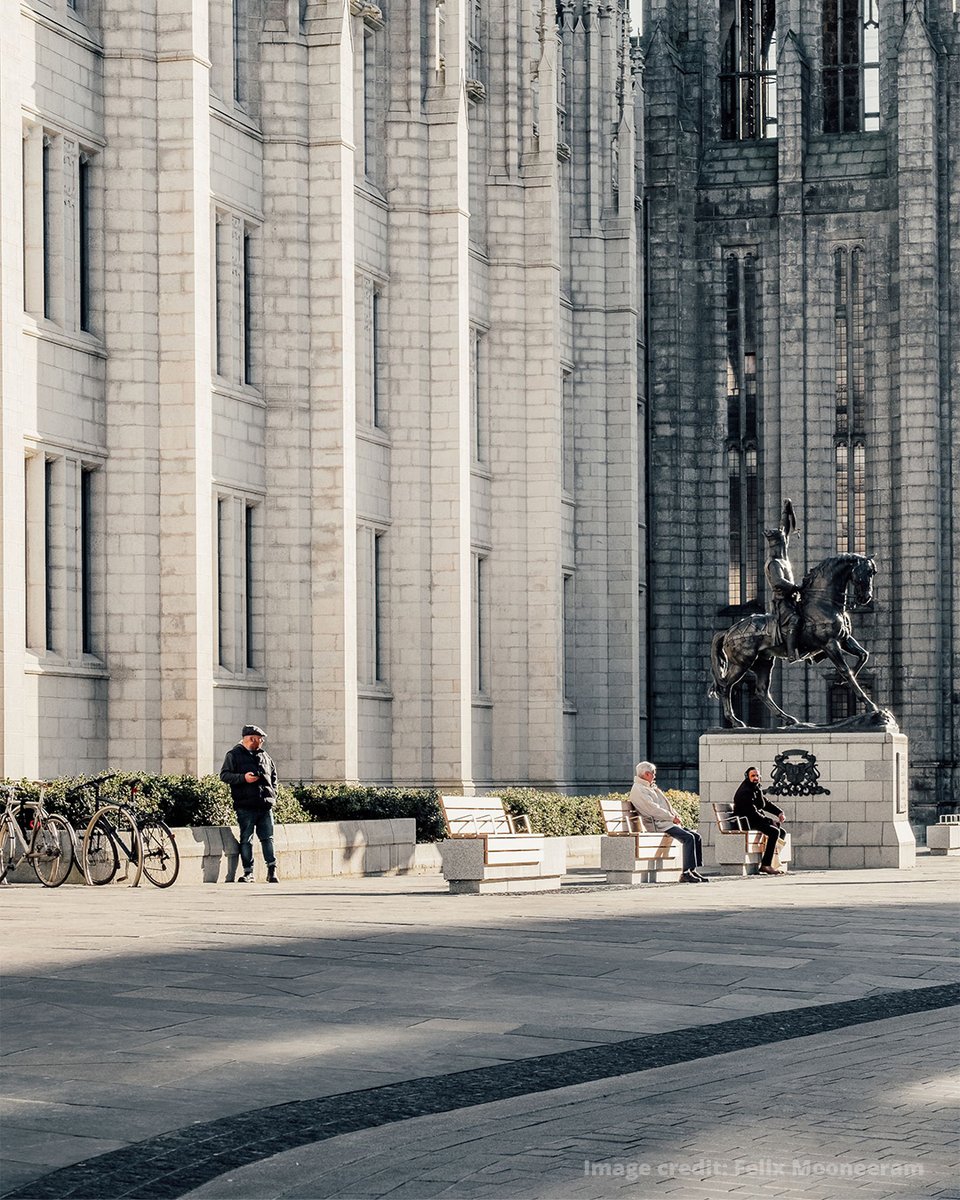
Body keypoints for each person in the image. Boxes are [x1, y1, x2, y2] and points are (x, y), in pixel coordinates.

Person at [629, 761, 709, 883]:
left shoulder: (649, 787)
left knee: (696, 836)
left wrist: (675, 815)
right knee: (688, 838)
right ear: (646, 774)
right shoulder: (639, 789)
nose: (655, 776)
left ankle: (692, 870)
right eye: (653, 773)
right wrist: (671, 818)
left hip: (665, 822)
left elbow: (665, 805)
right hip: (658, 824)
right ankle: (685, 873)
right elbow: (653, 809)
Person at [220, 724, 279, 883]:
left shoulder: (265, 756)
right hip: (245, 805)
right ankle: (248, 872)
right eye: (260, 739)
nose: (262, 742)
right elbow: (224, 775)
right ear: (251, 739)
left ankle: (272, 871)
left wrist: (273, 795)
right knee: (247, 839)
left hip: (265, 805)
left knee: (268, 838)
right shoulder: (233, 755)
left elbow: (273, 777)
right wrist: (243, 778)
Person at [764, 499, 802, 663]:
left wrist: (786, 511)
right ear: (775, 546)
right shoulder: (774, 563)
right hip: (782, 603)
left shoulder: (782, 556)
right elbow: (779, 582)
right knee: (795, 620)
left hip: (792, 600)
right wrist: (796, 588)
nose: (784, 546)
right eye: (781, 545)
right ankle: (791, 652)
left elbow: (784, 529)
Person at [732, 766, 786, 875]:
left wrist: (779, 813)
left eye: (757, 775)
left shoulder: (755, 788)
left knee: (781, 832)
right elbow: (751, 813)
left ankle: (773, 861)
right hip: (746, 821)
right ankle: (765, 865)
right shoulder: (745, 791)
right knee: (774, 831)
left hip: (755, 819)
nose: (755, 778)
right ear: (747, 777)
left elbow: (764, 803)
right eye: (753, 776)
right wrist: (770, 821)